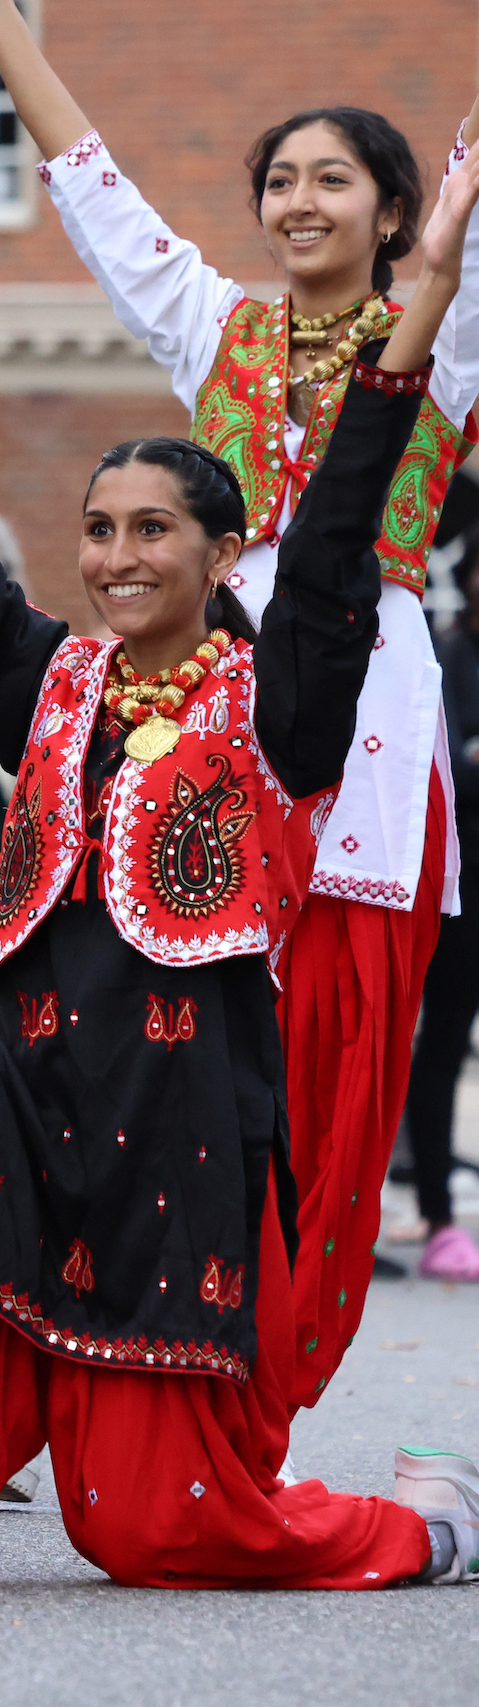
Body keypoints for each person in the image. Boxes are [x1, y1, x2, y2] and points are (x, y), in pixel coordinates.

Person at [0, 108, 479, 1588]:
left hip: (178, 1164)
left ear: (218, 554)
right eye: (96, 529)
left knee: (147, 1530)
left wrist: (432, 286)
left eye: (154, 529)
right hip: (19, 1114)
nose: (117, 555)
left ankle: (432, 1522)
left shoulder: (281, 709)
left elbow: (337, 531)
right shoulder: (46, 685)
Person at [0, 0, 479, 1408]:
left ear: (394, 206)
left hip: (357, 719)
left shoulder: (449, 329)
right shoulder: (209, 324)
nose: (298, 203)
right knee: (162, 1034)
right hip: (197, 717)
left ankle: (258, 1375)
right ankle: (99, 1341)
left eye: (333, 180)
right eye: (278, 179)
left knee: (326, 1072)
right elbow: (83, 179)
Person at [405, 544, 479, 1282]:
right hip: (464, 890)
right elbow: (452, 767)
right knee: (440, 1047)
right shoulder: (448, 656)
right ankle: (438, 1216)